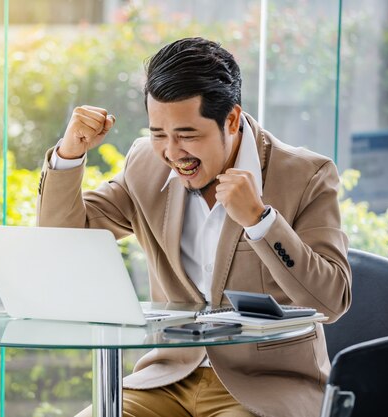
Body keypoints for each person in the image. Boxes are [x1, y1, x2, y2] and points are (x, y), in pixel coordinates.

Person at [36, 37, 351, 417]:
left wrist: (260, 221)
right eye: (158, 135)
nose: (172, 153)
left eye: (187, 135)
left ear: (231, 120)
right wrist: (70, 155)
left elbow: (331, 301)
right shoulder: (145, 166)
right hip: (166, 381)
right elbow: (64, 241)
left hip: (265, 387)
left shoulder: (306, 175)